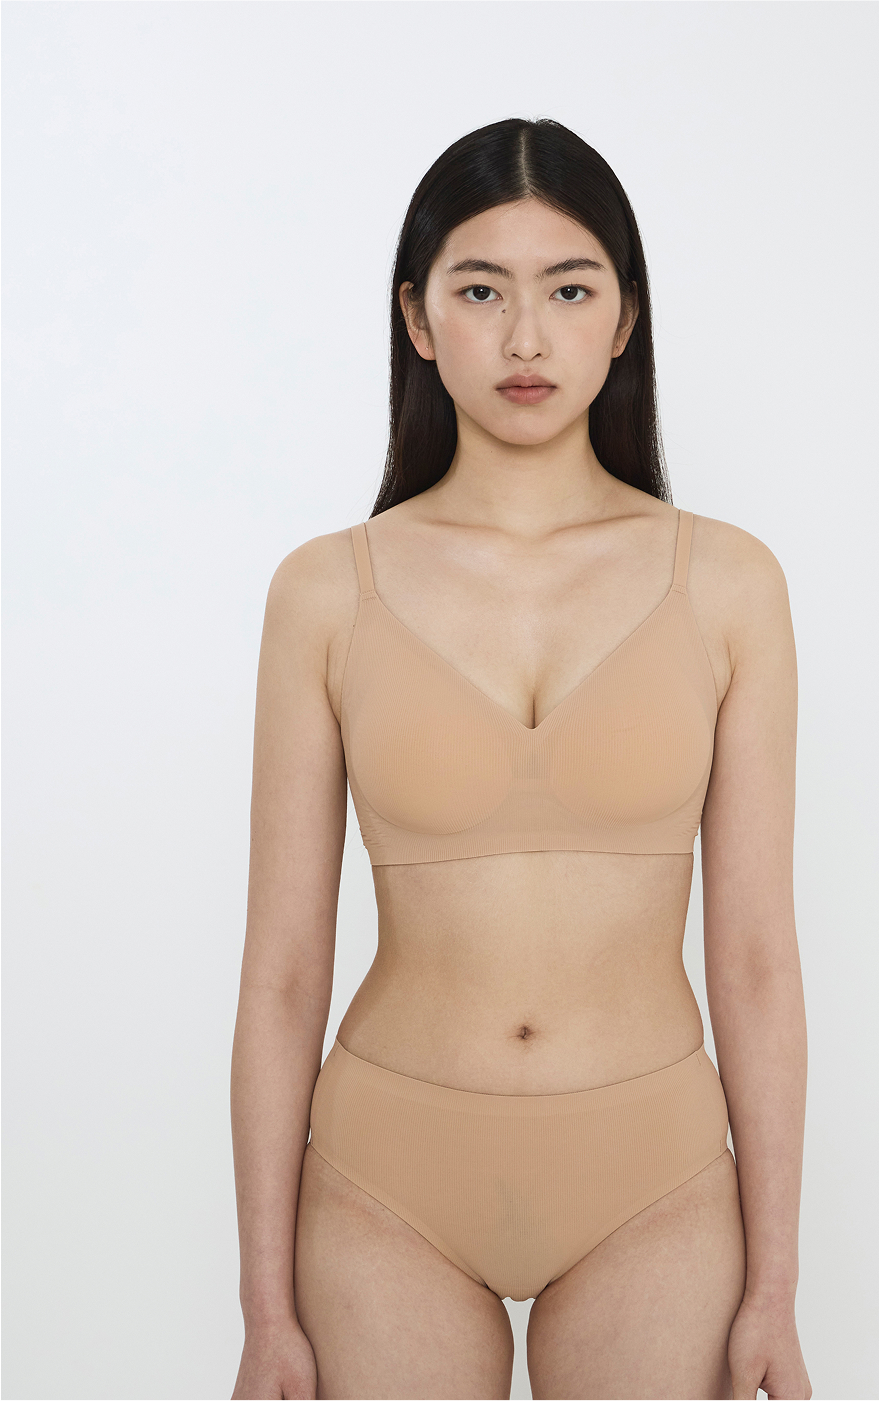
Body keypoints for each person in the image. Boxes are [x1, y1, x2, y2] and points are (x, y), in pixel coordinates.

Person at [230, 116, 811, 1401]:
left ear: (626, 317)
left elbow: (758, 961)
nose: (527, 339)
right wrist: (264, 1308)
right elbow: (281, 972)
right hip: (385, 1181)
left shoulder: (728, 584)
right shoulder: (325, 592)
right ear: (418, 318)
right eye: (482, 291)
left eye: (570, 290)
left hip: (653, 1181)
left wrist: (774, 1289)